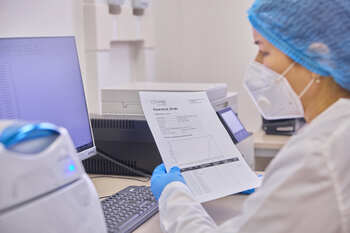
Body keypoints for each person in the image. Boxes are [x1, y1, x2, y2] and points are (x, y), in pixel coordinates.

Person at [150, 0, 350, 232]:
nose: (256, 64)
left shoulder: (318, 151)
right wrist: (272, 185)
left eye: (264, 51)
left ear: (319, 54)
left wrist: (173, 194)